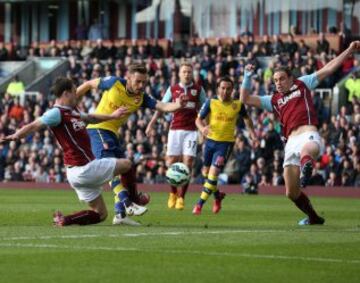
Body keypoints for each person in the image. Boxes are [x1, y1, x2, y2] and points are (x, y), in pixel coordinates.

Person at [240, 41, 360, 225]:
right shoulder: (272, 100)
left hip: (307, 133)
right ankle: (313, 217)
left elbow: (328, 69)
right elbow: (246, 99)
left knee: (308, 149)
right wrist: (247, 76)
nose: (278, 83)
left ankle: (306, 166)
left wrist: (350, 50)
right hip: (290, 143)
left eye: (281, 79)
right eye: (275, 80)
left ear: (290, 78)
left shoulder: (302, 84)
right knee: (291, 192)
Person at [0, 77, 147, 226]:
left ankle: (65, 220)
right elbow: (34, 125)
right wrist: (16, 135)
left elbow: (91, 117)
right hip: (84, 169)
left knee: (101, 214)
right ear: (66, 94)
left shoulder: (72, 111)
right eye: (74, 91)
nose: (76, 94)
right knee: (127, 164)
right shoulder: (56, 113)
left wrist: (112, 116)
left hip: (77, 173)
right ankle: (134, 200)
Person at [76, 63, 186, 225]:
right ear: (128, 78)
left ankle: (120, 215)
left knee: (125, 170)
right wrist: (70, 105)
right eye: (138, 81)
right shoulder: (114, 82)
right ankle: (127, 203)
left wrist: (178, 105)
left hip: (113, 134)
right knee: (110, 166)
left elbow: (162, 106)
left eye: (144, 82)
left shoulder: (141, 97)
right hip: (97, 129)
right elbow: (88, 84)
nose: (141, 86)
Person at [145, 62, 206, 210]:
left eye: (189, 72)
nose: (187, 74)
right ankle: (172, 192)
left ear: (193, 74)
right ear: (179, 74)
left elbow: (205, 109)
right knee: (171, 162)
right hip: (175, 130)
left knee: (188, 163)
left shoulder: (198, 90)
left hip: (191, 131)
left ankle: (181, 197)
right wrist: (151, 123)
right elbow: (160, 107)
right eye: (184, 72)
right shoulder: (172, 89)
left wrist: (204, 129)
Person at [192, 76, 255, 215]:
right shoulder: (211, 102)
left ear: (232, 90)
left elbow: (247, 119)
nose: (225, 91)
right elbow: (198, 120)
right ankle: (217, 196)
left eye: (228, 89)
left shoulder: (238, 105)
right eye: (223, 88)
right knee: (205, 174)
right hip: (209, 143)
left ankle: (199, 204)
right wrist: (202, 129)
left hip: (225, 145)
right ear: (218, 89)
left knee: (213, 176)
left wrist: (252, 133)